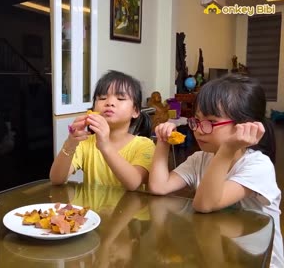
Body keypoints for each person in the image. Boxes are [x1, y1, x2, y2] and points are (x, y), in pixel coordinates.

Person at [148, 74, 283, 267]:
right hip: (215, 248)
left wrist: (227, 149)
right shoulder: (199, 159)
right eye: (197, 120)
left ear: (245, 126)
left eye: (211, 121)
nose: (199, 129)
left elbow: (205, 204)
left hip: (255, 259)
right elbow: (159, 187)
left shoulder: (257, 166)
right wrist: (163, 142)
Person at [49, 70, 155, 189]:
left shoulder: (145, 145)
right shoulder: (85, 142)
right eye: (103, 97)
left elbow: (133, 183)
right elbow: (56, 179)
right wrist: (70, 143)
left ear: (135, 111)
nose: (109, 102)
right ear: (94, 107)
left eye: (120, 98)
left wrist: (105, 146)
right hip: (92, 208)